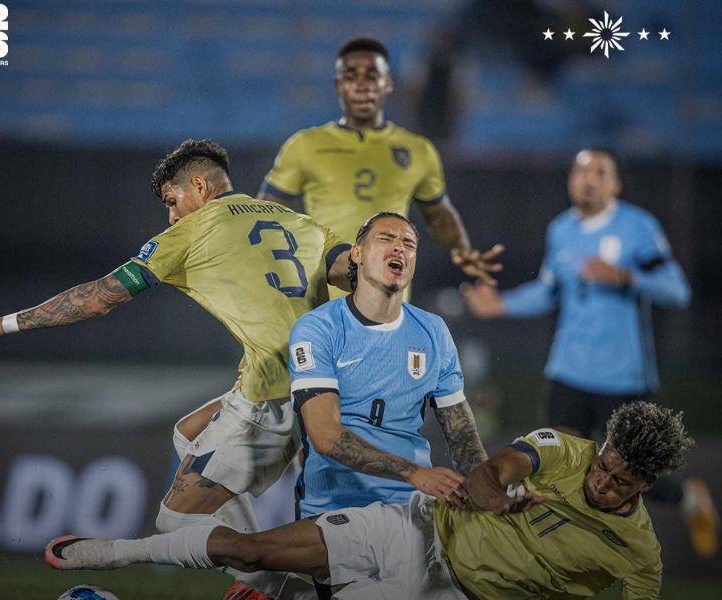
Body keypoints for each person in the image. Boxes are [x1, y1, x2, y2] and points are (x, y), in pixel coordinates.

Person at [0, 139, 353, 598]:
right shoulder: (299, 222)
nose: (171, 216)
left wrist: (2, 324)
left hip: (273, 394)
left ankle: (271, 586)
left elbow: (96, 300)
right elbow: (355, 275)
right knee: (190, 433)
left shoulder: (190, 234)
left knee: (177, 520)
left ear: (198, 185)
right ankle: (271, 582)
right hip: (327, 385)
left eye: (172, 201)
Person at [45, 400, 691, 600]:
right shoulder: (567, 451)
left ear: (647, 484)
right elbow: (496, 465)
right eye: (606, 466)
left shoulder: (637, 558)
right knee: (254, 550)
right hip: (418, 526)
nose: (604, 482)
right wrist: (494, 495)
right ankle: (110, 553)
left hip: (449, 595)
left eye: (622, 482)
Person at [460, 146, 718, 558]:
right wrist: (501, 304)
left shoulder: (637, 227)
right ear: (570, 181)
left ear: (615, 184)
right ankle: (560, 556)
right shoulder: (561, 229)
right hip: (568, 370)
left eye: (599, 171)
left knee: (628, 473)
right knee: (561, 465)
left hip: (623, 376)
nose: (588, 179)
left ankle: (688, 497)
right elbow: (549, 290)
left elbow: (676, 290)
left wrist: (625, 275)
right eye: (581, 171)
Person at [258, 36, 503, 300]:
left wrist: (460, 249)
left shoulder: (417, 150)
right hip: (324, 303)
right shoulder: (305, 145)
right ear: (339, 85)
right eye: (352, 76)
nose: (363, 85)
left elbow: (439, 215)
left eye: (372, 76)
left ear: (387, 84)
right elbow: (266, 211)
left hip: (389, 304)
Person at [289, 212, 486, 522]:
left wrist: (488, 488)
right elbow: (325, 435)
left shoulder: (432, 330)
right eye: (386, 239)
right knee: (256, 557)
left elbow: (462, 435)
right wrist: (414, 473)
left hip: (412, 510)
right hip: (334, 509)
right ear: (357, 254)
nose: (399, 248)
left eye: (408, 244)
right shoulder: (318, 328)